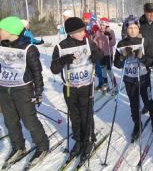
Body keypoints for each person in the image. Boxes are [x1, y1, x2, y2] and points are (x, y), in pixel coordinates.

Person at [50, 17, 103, 162]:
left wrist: (96, 55)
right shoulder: (61, 47)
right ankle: (79, 141)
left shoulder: (88, 42)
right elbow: (54, 69)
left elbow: (100, 56)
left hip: (86, 85)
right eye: (79, 31)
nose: (83, 33)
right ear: (71, 33)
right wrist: (63, 59)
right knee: (75, 116)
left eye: (83, 29)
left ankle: (88, 140)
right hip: (70, 88)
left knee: (86, 114)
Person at [0, 16, 49, 166]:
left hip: (23, 90)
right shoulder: (2, 46)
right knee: (10, 121)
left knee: (29, 121)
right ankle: (18, 147)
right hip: (4, 89)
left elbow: (37, 72)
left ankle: (42, 146)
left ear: (10, 31)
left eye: (1, 29)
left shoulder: (29, 48)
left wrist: (39, 92)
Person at [113, 15, 153, 141]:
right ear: (126, 29)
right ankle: (137, 124)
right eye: (130, 28)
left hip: (144, 77)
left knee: (148, 100)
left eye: (135, 27)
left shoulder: (145, 41)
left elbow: (152, 61)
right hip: (129, 79)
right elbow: (116, 64)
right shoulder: (122, 43)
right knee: (134, 104)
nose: (132, 30)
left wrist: (142, 58)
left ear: (138, 28)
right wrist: (122, 57)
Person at [94, 17, 116, 91]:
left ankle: (114, 85)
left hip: (108, 54)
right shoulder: (98, 32)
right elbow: (95, 42)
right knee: (103, 70)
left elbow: (113, 43)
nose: (102, 26)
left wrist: (109, 35)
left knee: (109, 70)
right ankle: (106, 85)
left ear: (107, 25)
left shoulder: (111, 31)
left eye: (104, 24)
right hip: (101, 55)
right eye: (101, 24)